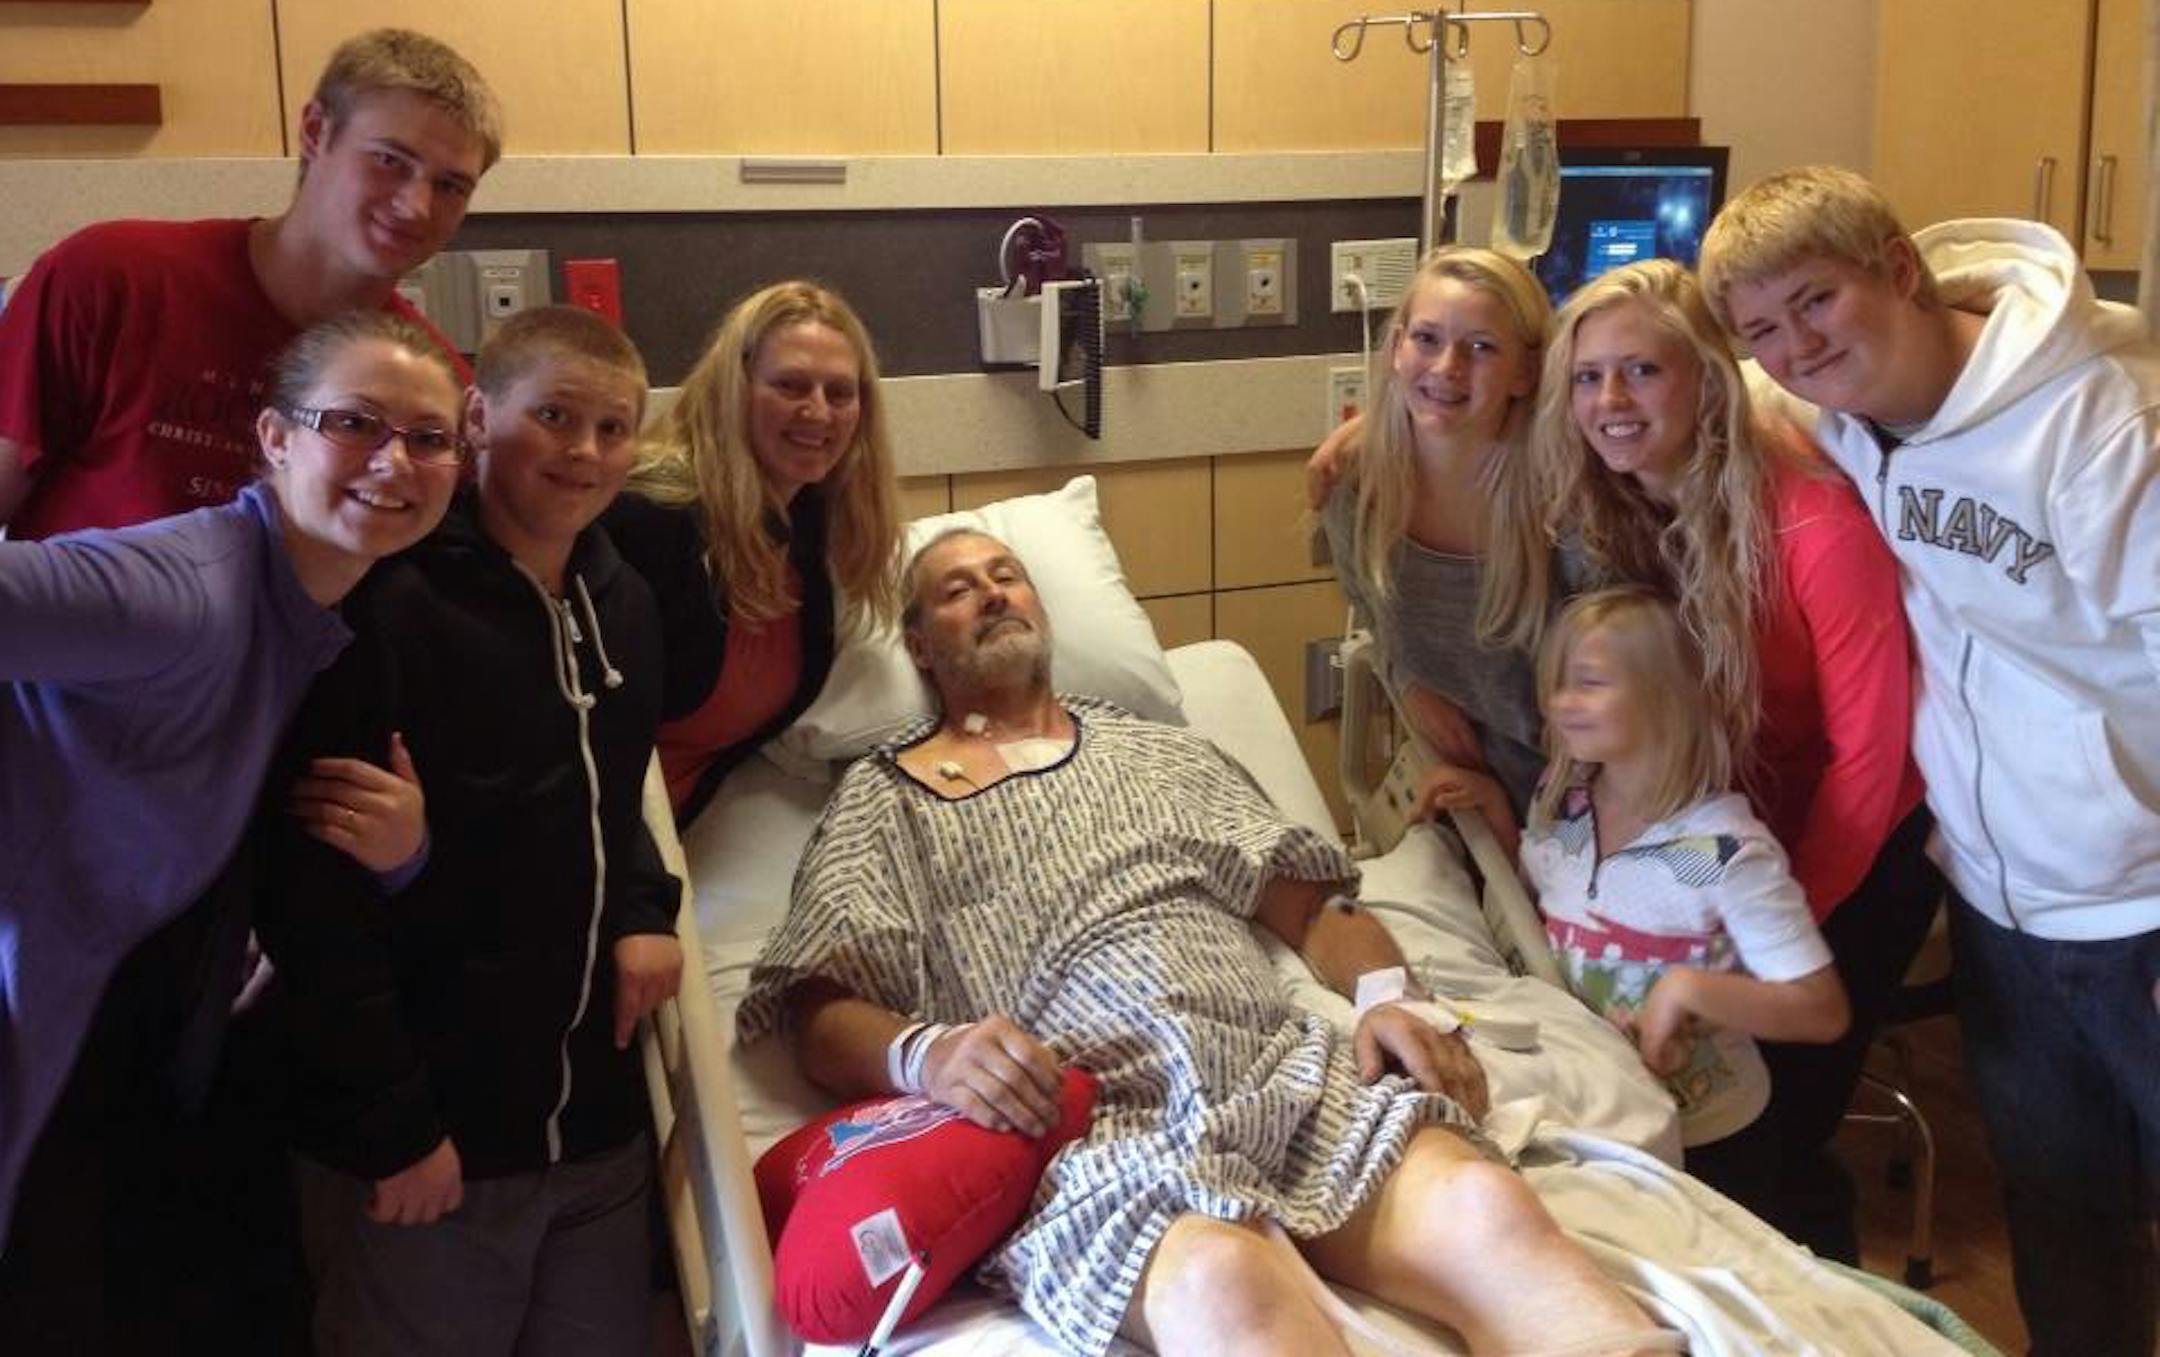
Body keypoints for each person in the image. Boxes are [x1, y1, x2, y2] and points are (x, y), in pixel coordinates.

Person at [737, 527, 1672, 1357]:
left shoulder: (1164, 752)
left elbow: (1314, 910)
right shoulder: (887, 797)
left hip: (1276, 1073)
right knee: (1228, 1288)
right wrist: (929, 1053)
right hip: (1084, 1129)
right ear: (917, 646)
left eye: (1008, 574)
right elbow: (820, 1011)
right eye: (956, 588)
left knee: (1488, 1213)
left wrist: (1392, 997)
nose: (991, 593)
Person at [1701, 165, 2158, 1357]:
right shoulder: (1849, 415)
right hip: (2006, 896)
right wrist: (1417, 427)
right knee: (2063, 1208)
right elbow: (1688, 376)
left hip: (2141, 893)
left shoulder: (2102, 421)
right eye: (1764, 328)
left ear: (1898, 269)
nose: (1794, 346)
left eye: (1817, 303)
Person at [0, 310, 467, 1341]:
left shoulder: (315, 614)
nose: (396, 461)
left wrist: (406, 854)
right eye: (355, 422)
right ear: (272, 438)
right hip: (50, 1036)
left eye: (430, 437)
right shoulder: (185, 590)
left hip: (141, 1037)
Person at [257, 306, 683, 1356]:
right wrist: (393, 1127)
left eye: (613, 428)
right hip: (430, 1144)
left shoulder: (622, 602)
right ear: (482, 419)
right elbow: (310, 900)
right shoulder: (385, 604)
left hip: (594, 1132)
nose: (584, 452)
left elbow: (616, 792)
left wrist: (642, 907)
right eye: (554, 416)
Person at [1529, 258, 1936, 1255]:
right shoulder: (1632, 511)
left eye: (1642, 372)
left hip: (1854, 844)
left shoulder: (1813, 526)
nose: (1610, 401)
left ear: (1705, 378)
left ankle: (1827, 1301)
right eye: (1588, 377)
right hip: (1737, 830)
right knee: (1700, 1135)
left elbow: (1872, 761)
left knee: (1778, 1141)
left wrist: (1769, 913)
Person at [0, 27, 500, 539]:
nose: (416, 205)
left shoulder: (434, 395)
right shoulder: (113, 279)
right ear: (314, 132)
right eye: (390, 161)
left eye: (450, 185)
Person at [1473, 588, 1848, 1205]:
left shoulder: (1726, 854)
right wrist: (1486, 806)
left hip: (1712, 1144)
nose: (1561, 702)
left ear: (1662, 695)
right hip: (1604, 1117)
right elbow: (1542, 905)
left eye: (1589, 682)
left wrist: (1689, 990)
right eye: (1558, 682)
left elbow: (1820, 1011)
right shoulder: (1562, 798)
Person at [606, 281, 903, 824]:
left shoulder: (811, 525)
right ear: (735, 388)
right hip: (590, 838)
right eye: (791, 385)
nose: (818, 412)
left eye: (840, 393)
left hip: (673, 835)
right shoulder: (650, 519)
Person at [1315, 246, 1563, 816]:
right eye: (1426, 338)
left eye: (1481, 347)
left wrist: (1518, 823)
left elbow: (1627, 707)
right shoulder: (1356, 494)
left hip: (1586, 807)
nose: (1447, 367)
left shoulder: (1561, 508)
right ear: (1397, 347)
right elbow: (1375, 616)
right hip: (1466, 800)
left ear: (1525, 371)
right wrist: (1406, 682)